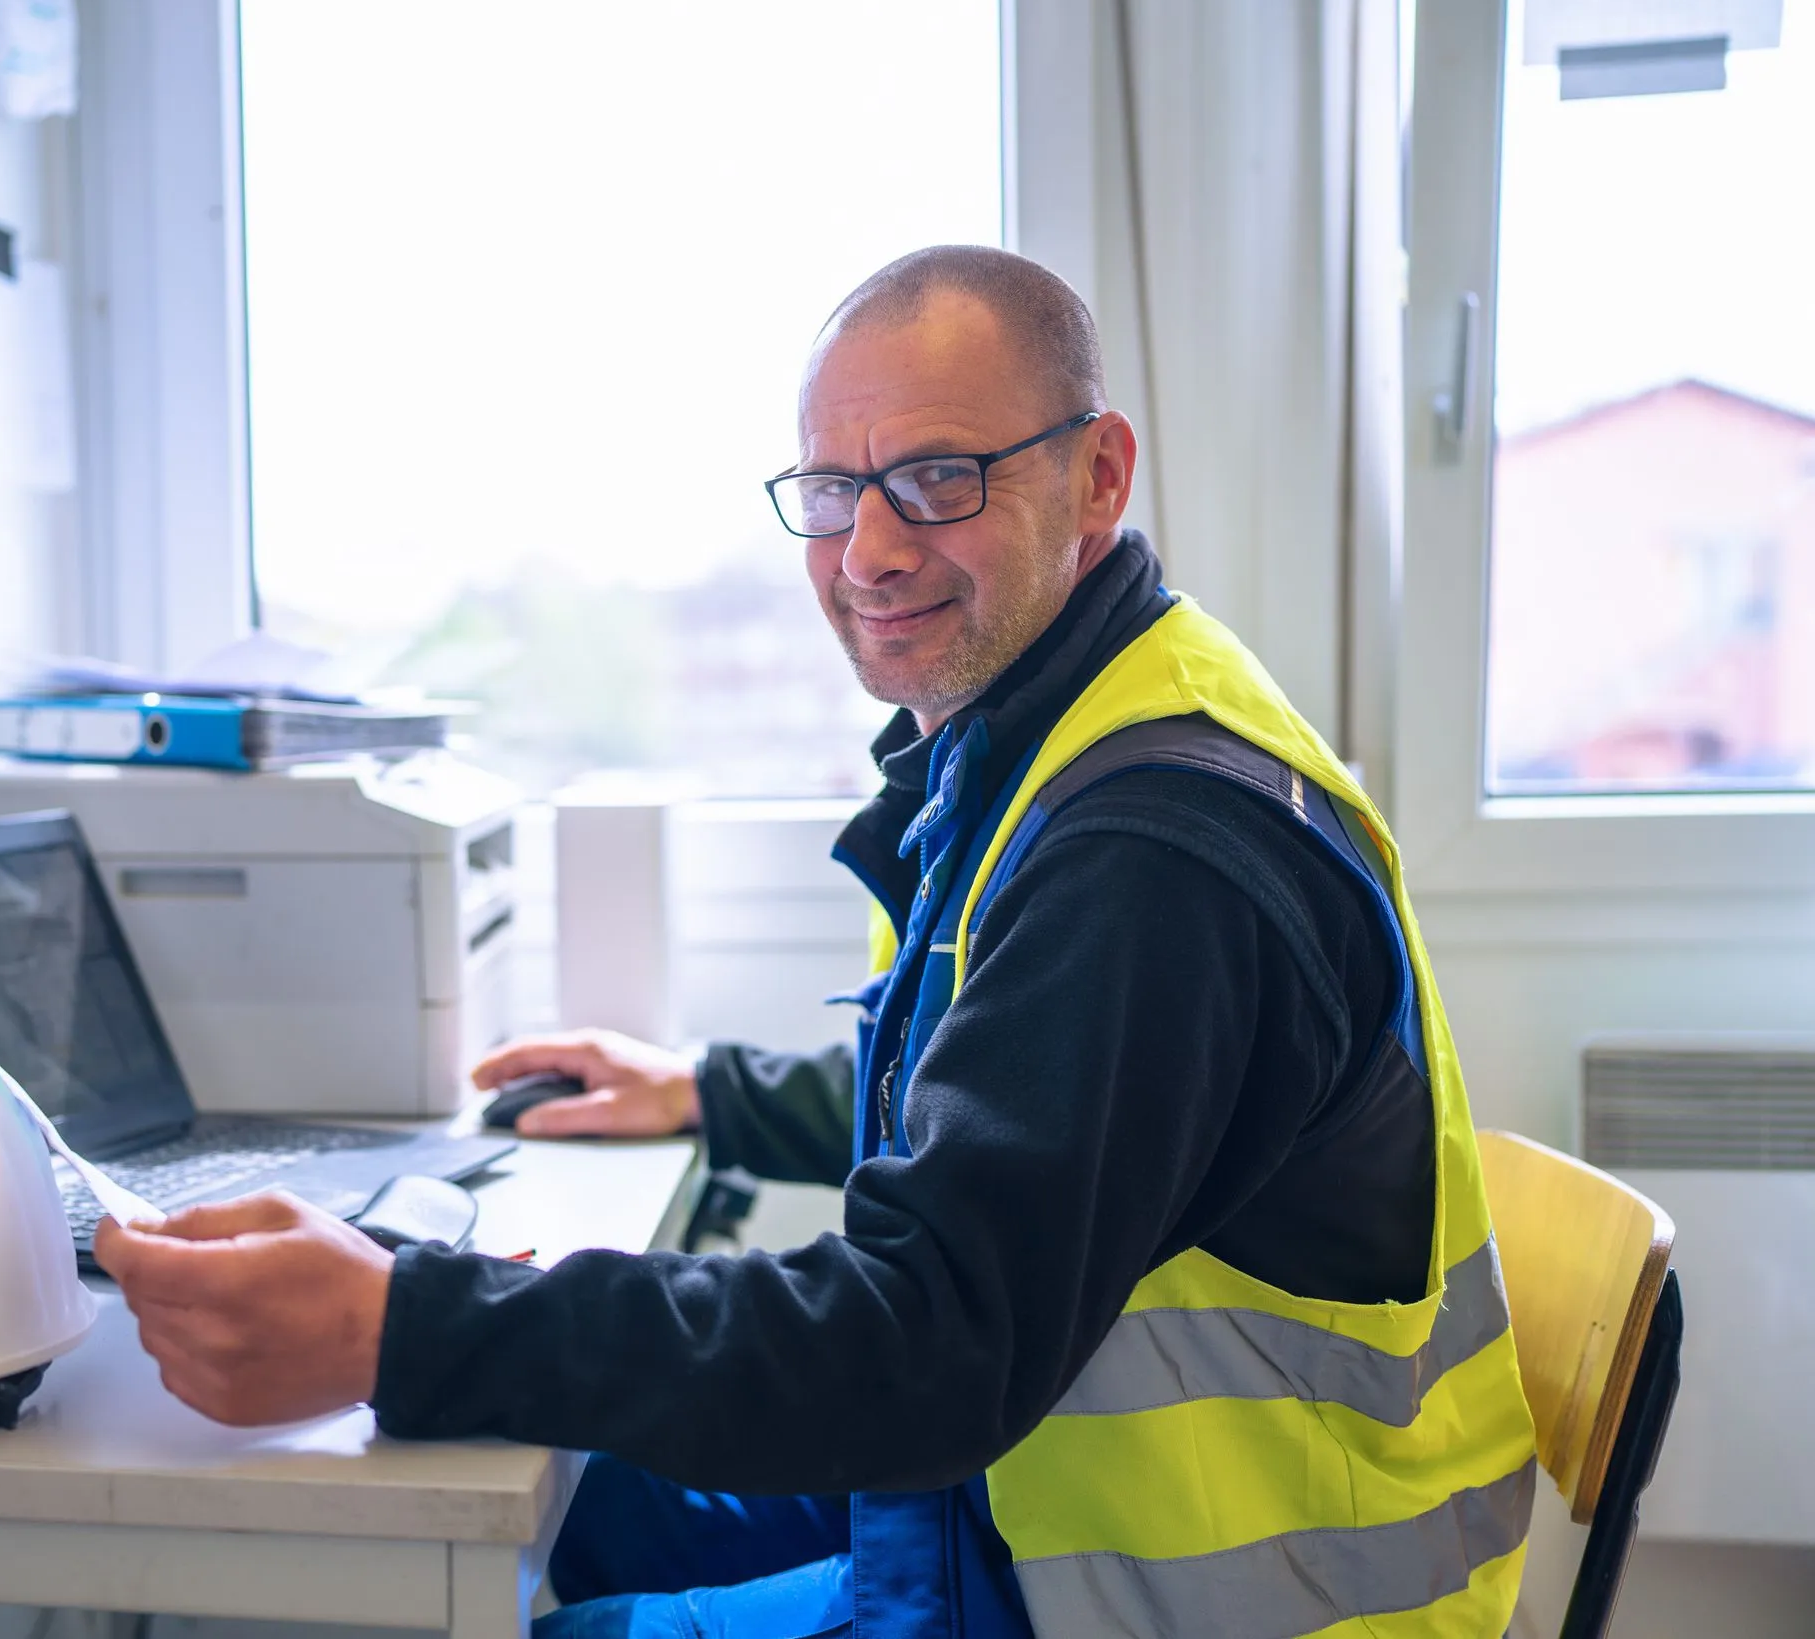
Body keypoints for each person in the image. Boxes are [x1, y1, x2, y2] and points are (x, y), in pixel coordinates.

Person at [96, 246, 1540, 1639]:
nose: (871, 547)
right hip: (1028, 1501)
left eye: (937, 478)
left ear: (1096, 477)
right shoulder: (1058, 725)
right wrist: (714, 1094)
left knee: (530, 1575)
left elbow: (928, 1339)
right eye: (837, 487)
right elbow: (1020, 1095)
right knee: (576, 1500)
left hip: (1199, 1600)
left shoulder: (1151, 848)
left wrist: (406, 1325)